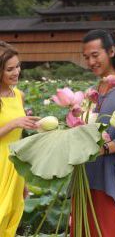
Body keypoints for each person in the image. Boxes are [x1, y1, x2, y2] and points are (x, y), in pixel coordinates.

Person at [73, 29, 115, 237]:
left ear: (111, 51)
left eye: (95, 55)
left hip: (107, 178)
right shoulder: (92, 92)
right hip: (83, 175)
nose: (91, 62)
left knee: (105, 232)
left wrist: (99, 149)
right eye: (86, 58)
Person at [0, 41, 38, 237]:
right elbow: (14, 125)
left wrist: (24, 180)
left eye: (18, 66)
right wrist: (14, 123)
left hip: (15, 165)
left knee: (12, 219)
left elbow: (20, 136)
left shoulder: (19, 95)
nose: (16, 72)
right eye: (9, 69)